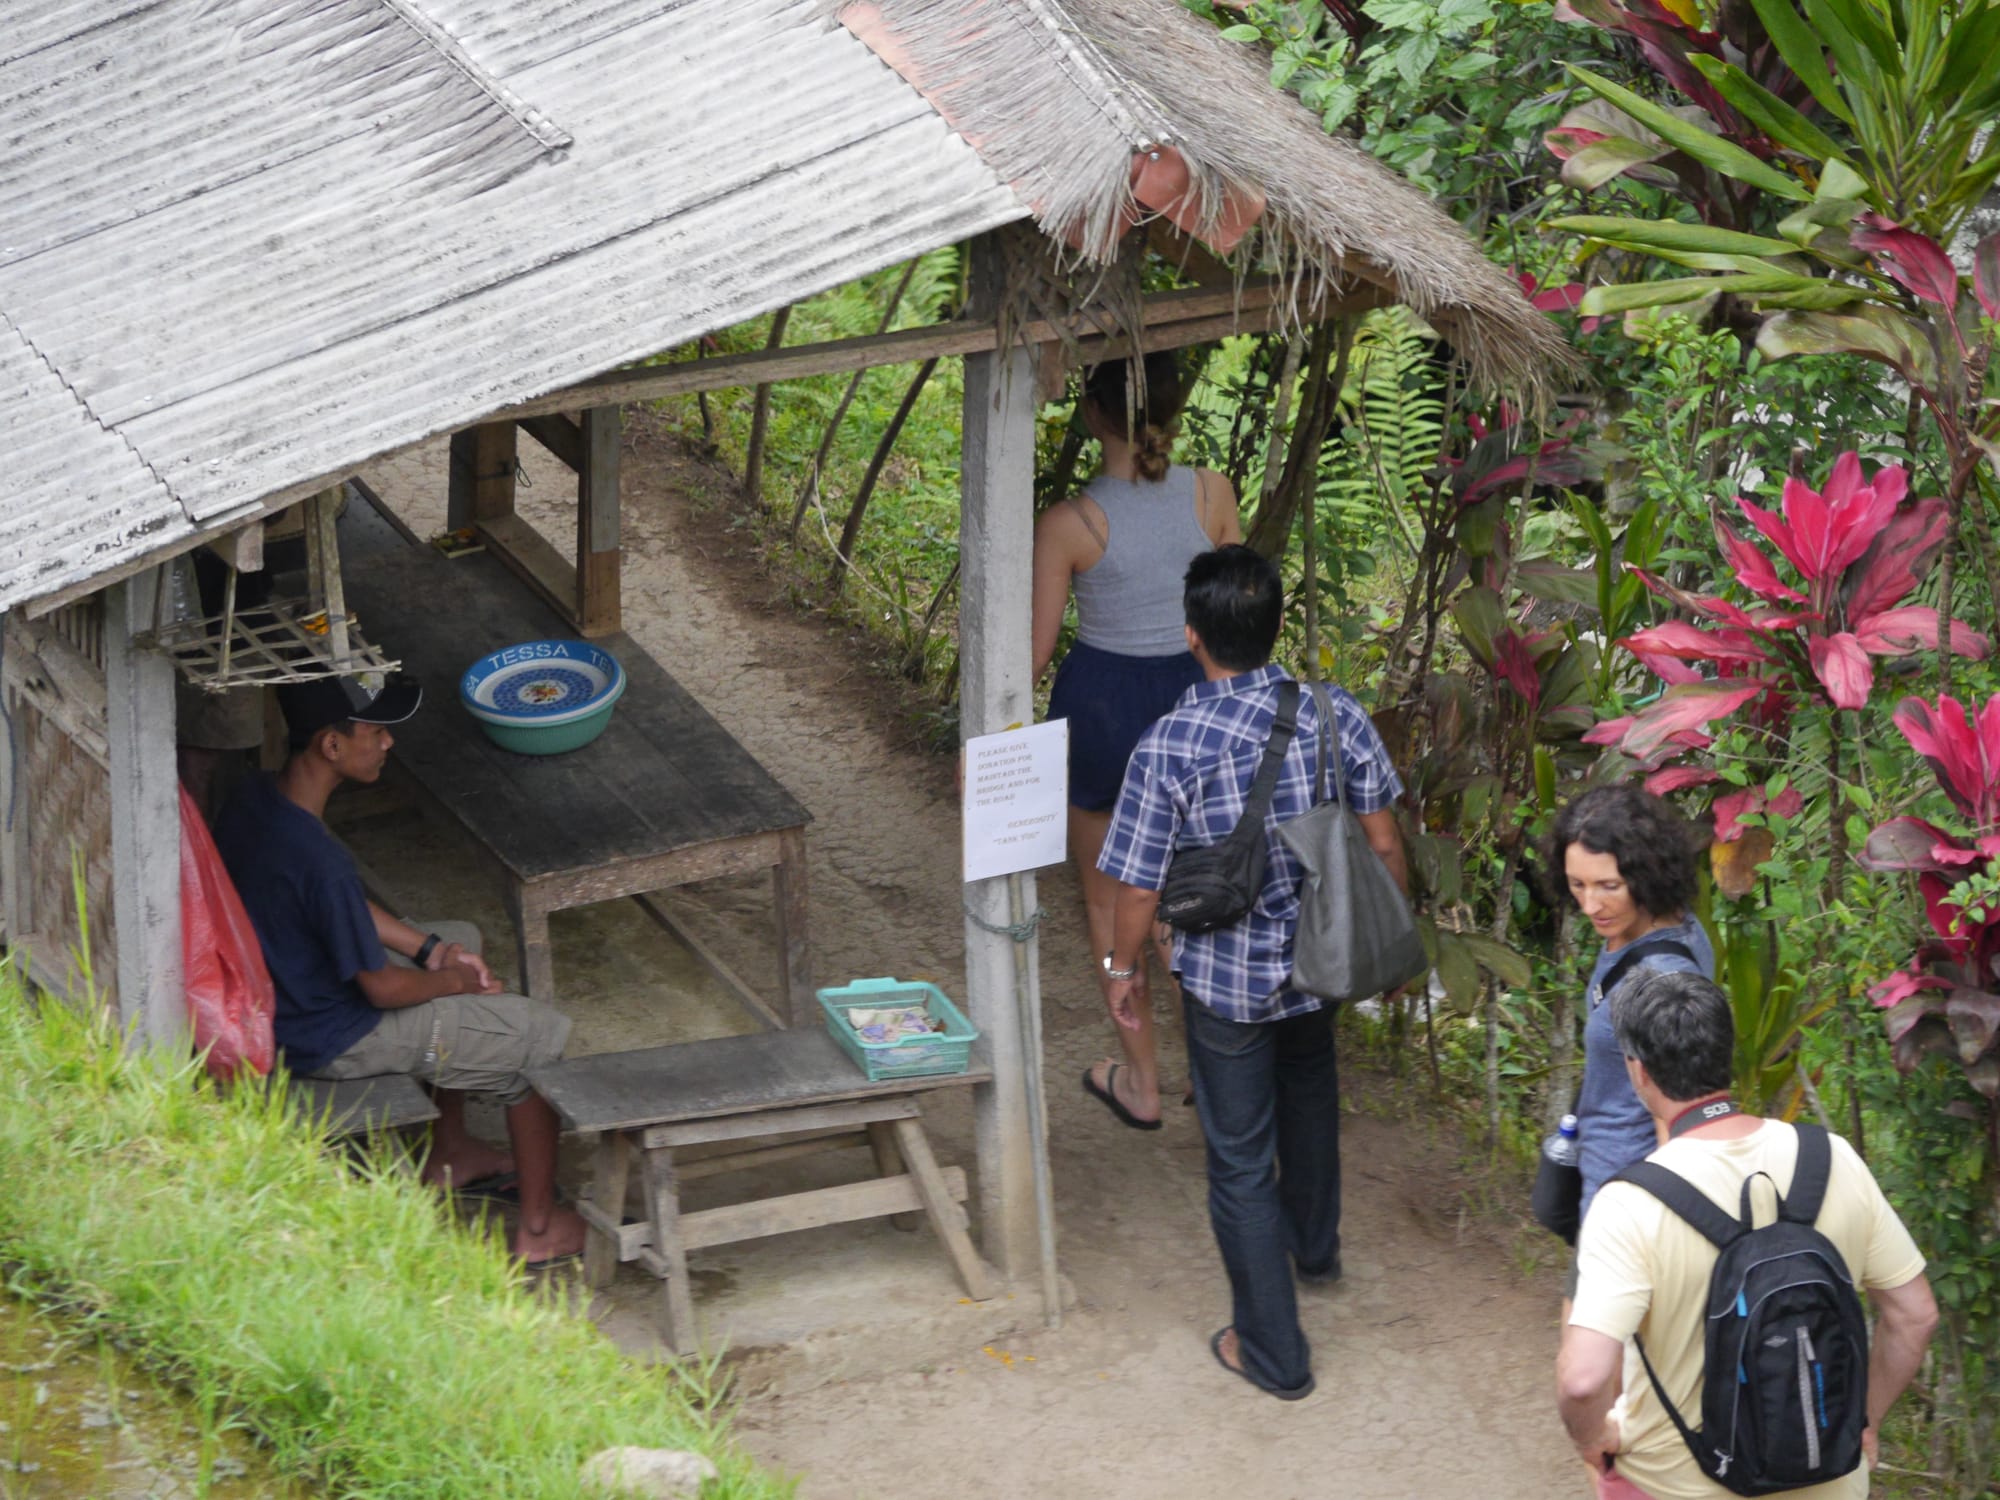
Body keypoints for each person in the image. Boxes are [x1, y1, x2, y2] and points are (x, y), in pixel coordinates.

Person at [1097, 544, 1407, 1399]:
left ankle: (1273, 1351)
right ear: (1274, 629)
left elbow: (1135, 884)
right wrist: (1386, 938)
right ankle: (1315, 1250)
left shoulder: (1171, 742)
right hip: (1321, 960)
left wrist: (1122, 967)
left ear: (1191, 637)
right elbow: (1383, 842)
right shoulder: (1335, 712)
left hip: (1225, 986)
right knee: (1309, 1098)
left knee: (1239, 1160)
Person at [212, 671, 587, 1266]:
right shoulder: (321, 859)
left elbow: (336, 909)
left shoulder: (258, 799)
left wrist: (433, 949)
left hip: (276, 996)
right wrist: (451, 981)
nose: (387, 743)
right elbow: (381, 990)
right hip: (325, 1038)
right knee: (534, 1038)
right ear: (331, 746)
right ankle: (539, 1229)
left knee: (461, 937)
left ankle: (450, 1151)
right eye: (376, 731)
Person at [1558, 971, 1938, 1499]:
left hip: (1676, 1484)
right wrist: (1859, 1422)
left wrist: (1592, 1436)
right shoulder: (1835, 1160)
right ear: (1726, 1054)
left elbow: (1582, 1380)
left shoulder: (1629, 1203)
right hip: (1830, 1482)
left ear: (1638, 1072)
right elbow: (1915, 1316)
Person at [1032, 352, 1242, 1131]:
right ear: (1171, 411)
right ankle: (1226, 1079)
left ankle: (1144, 1085)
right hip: (1195, 702)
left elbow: (1034, 650)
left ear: (1092, 415)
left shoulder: (1069, 523)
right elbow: (1236, 614)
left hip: (1103, 711)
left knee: (1105, 901)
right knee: (1192, 900)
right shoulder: (1210, 493)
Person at [1547, 785, 1716, 1243]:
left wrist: (1667, 1221)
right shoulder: (1670, 923)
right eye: (1577, 884)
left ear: (1646, 875)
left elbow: (1674, 1110)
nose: (1589, 905)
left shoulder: (1660, 977)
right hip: (1607, 1175)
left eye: (1608, 887)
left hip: (1628, 1198)